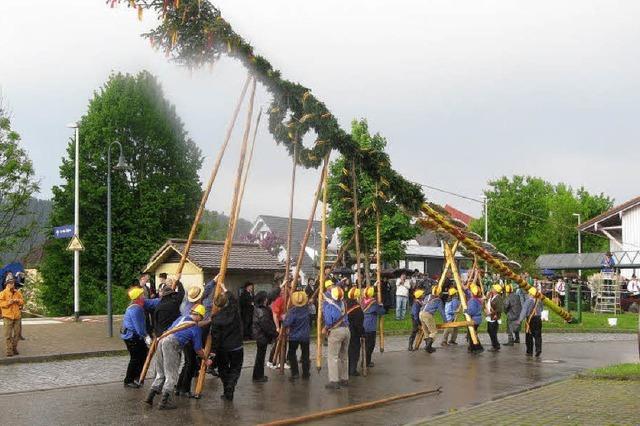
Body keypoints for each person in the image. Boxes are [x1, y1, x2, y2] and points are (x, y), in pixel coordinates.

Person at [144, 304, 208, 409]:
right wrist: (206, 359)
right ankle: (164, 402)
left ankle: (150, 397)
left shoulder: (182, 318)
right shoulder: (196, 329)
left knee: (161, 373)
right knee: (172, 374)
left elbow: (192, 324)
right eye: (202, 317)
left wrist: (208, 321)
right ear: (199, 316)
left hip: (161, 340)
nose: (201, 319)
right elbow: (198, 349)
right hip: (171, 344)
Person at [121, 287, 160, 388]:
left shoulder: (140, 303)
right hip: (132, 337)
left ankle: (137, 376)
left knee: (143, 354)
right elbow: (139, 328)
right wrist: (147, 337)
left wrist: (163, 299)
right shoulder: (136, 309)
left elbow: (152, 302)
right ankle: (128, 380)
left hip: (135, 336)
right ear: (137, 298)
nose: (143, 296)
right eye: (141, 295)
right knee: (135, 358)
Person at [211, 291, 244, 401]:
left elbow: (216, 338)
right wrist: (226, 291)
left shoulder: (215, 318)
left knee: (223, 370)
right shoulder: (235, 311)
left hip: (223, 348)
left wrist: (213, 351)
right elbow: (234, 300)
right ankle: (230, 386)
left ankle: (227, 389)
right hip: (237, 346)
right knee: (235, 369)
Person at [323, 286, 350, 389]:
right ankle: (345, 378)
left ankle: (334, 380)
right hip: (346, 329)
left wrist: (325, 328)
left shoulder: (330, 307)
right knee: (344, 356)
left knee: (333, 357)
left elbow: (329, 322)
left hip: (336, 331)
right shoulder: (344, 303)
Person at [283, 291, 311, 380]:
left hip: (294, 336)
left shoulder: (293, 311)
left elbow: (286, 324)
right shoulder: (307, 310)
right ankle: (306, 373)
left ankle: (295, 373)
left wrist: (284, 319)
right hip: (305, 336)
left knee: (291, 354)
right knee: (305, 355)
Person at [252, 291, 278, 382]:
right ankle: (258, 376)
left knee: (260, 356)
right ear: (264, 300)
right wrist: (275, 333)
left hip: (259, 335)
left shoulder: (258, 308)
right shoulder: (262, 311)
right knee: (260, 357)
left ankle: (258, 375)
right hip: (261, 336)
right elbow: (266, 326)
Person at [0, 276, 24, 357]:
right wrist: (8, 303)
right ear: (6, 284)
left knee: (17, 334)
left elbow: (22, 301)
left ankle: (14, 348)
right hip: (7, 317)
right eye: (10, 283)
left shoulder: (17, 293)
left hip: (17, 317)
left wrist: (18, 301)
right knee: (8, 335)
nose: (11, 284)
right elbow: (1, 304)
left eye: (13, 283)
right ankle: (9, 351)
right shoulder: (2, 293)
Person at [361, 286, 385, 368]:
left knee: (364, 345)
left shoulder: (362, 301)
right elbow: (381, 312)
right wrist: (381, 305)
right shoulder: (374, 303)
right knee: (370, 345)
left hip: (362, 325)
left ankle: (364, 361)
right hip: (370, 327)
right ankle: (366, 362)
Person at [517, 287, 543, 357]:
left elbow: (524, 311)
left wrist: (520, 320)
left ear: (531, 294)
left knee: (529, 335)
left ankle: (529, 351)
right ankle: (538, 349)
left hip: (530, 319)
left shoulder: (528, 301)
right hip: (538, 319)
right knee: (538, 335)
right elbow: (542, 309)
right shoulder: (539, 300)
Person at [419, 286, 446, 353]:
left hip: (421, 313)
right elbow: (442, 311)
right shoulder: (438, 300)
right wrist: (445, 321)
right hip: (428, 315)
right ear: (439, 293)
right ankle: (428, 346)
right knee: (433, 332)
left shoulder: (427, 296)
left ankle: (428, 347)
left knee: (426, 331)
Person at [346, 288, 364, 376]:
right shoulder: (357, 308)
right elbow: (358, 324)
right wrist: (362, 333)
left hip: (345, 330)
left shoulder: (344, 303)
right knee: (354, 351)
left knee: (346, 351)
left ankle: (346, 369)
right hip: (353, 333)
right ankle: (352, 370)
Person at [465, 284, 484, 354]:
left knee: (472, 334)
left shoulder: (473, 300)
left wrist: (466, 311)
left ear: (472, 293)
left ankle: (477, 348)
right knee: (472, 333)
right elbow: (467, 291)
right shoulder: (477, 299)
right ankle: (473, 348)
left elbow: (472, 311)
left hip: (474, 320)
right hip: (477, 319)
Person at [485, 284, 504, 352]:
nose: (492, 289)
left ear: (495, 290)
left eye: (493, 288)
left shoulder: (498, 298)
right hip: (490, 317)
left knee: (492, 332)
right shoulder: (492, 296)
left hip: (494, 317)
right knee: (490, 331)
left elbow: (499, 309)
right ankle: (495, 344)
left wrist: (491, 313)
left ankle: (495, 345)